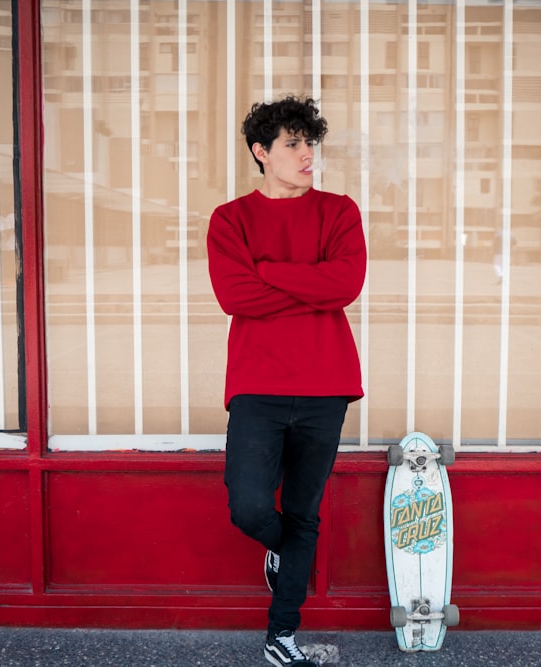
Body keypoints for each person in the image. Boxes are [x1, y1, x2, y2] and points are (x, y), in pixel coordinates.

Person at [207, 96, 366, 667]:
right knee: (249, 507)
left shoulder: (339, 211)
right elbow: (234, 296)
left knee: (303, 513)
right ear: (261, 152)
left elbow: (344, 284)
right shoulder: (231, 220)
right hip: (257, 384)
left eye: (309, 143)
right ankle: (281, 551)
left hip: (326, 384)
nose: (307, 154)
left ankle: (282, 638)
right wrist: (308, 283)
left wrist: (268, 271)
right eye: (293, 144)